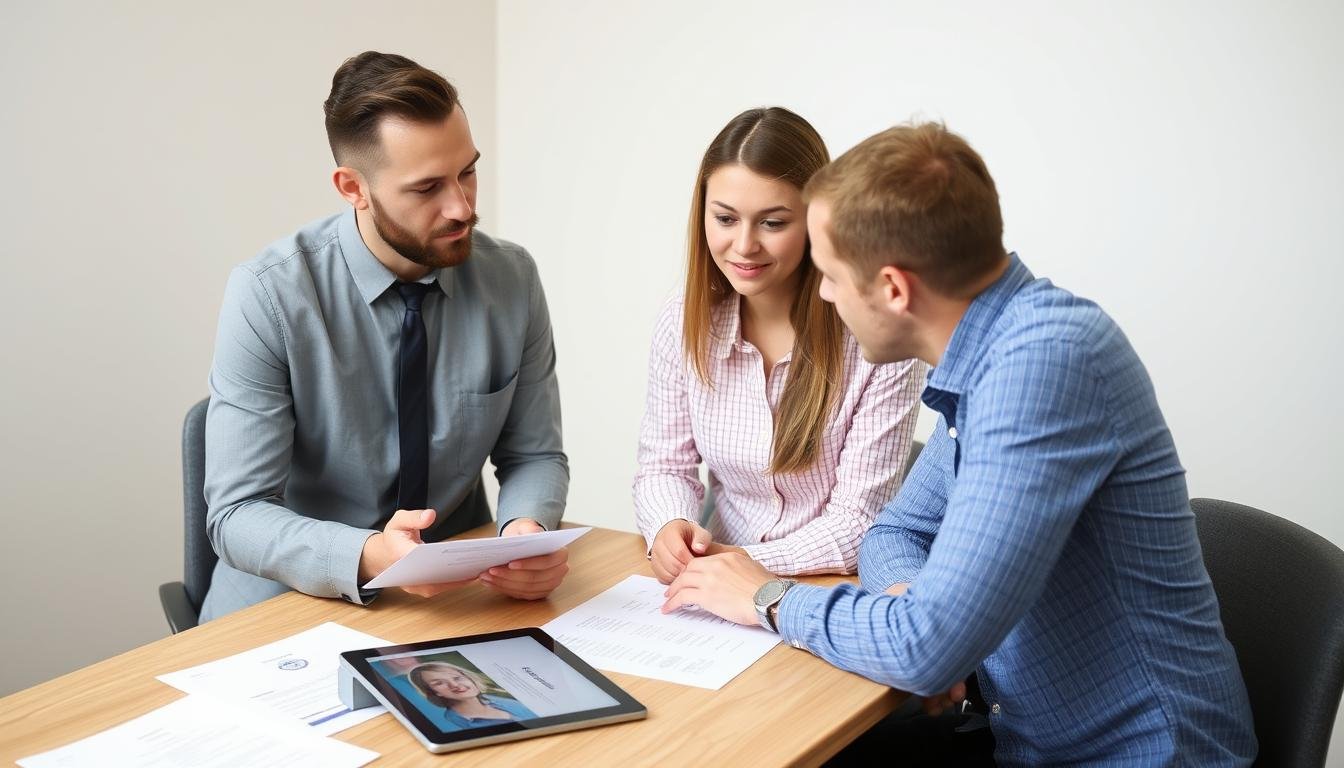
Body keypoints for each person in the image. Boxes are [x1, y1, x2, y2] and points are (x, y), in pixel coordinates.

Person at [661, 122, 1257, 765]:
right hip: (1023, 736)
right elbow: (895, 536)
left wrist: (766, 597)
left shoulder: (1044, 366)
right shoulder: (993, 353)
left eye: (830, 276)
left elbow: (927, 649)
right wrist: (916, 615)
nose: (824, 295)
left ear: (892, 289)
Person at [200, 51, 570, 621]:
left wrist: (526, 533)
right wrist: (370, 554)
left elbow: (533, 454)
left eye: (467, 170)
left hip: (456, 598)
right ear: (354, 188)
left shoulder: (511, 278)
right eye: (426, 189)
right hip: (284, 608)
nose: (463, 207)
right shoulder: (268, 294)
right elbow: (236, 515)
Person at [633, 107, 924, 583]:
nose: (744, 246)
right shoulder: (683, 318)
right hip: (714, 579)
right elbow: (664, 465)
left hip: (828, 586)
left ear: (816, 220)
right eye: (725, 218)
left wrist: (745, 566)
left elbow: (860, 521)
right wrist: (669, 526)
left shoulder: (877, 336)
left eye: (773, 223)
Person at [407, 662, 536, 731]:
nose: (455, 684)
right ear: (434, 692)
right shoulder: (456, 724)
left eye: (457, 677)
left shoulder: (500, 701)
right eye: (439, 683)